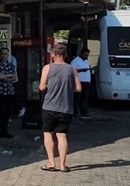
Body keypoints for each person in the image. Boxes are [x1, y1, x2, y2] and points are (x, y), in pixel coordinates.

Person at [39, 43, 82, 172]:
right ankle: (63, 165)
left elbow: (41, 87)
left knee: (48, 134)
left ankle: (51, 163)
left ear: (53, 55)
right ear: (65, 55)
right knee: (62, 136)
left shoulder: (47, 68)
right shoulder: (71, 69)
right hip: (66, 107)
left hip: (49, 106)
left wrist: (49, 86)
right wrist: (68, 89)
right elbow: (79, 88)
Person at [0, 47, 18, 139]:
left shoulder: (11, 65)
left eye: (6, 54)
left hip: (9, 91)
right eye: (2, 54)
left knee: (7, 113)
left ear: (8, 55)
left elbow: (15, 77)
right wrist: (9, 76)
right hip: (0, 91)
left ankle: (4, 131)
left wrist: (5, 76)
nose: (4, 55)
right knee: (0, 113)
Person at [70, 48, 92, 117]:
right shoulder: (75, 61)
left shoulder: (86, 61)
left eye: (87, 55)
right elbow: (72, 71)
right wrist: (82, 70)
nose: (86, 56)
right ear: (81, 54)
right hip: (79, 81)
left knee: (84, 98)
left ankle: (84, 112)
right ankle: (75, 112)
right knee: (77, 97)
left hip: (86, 82)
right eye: (85, 55)